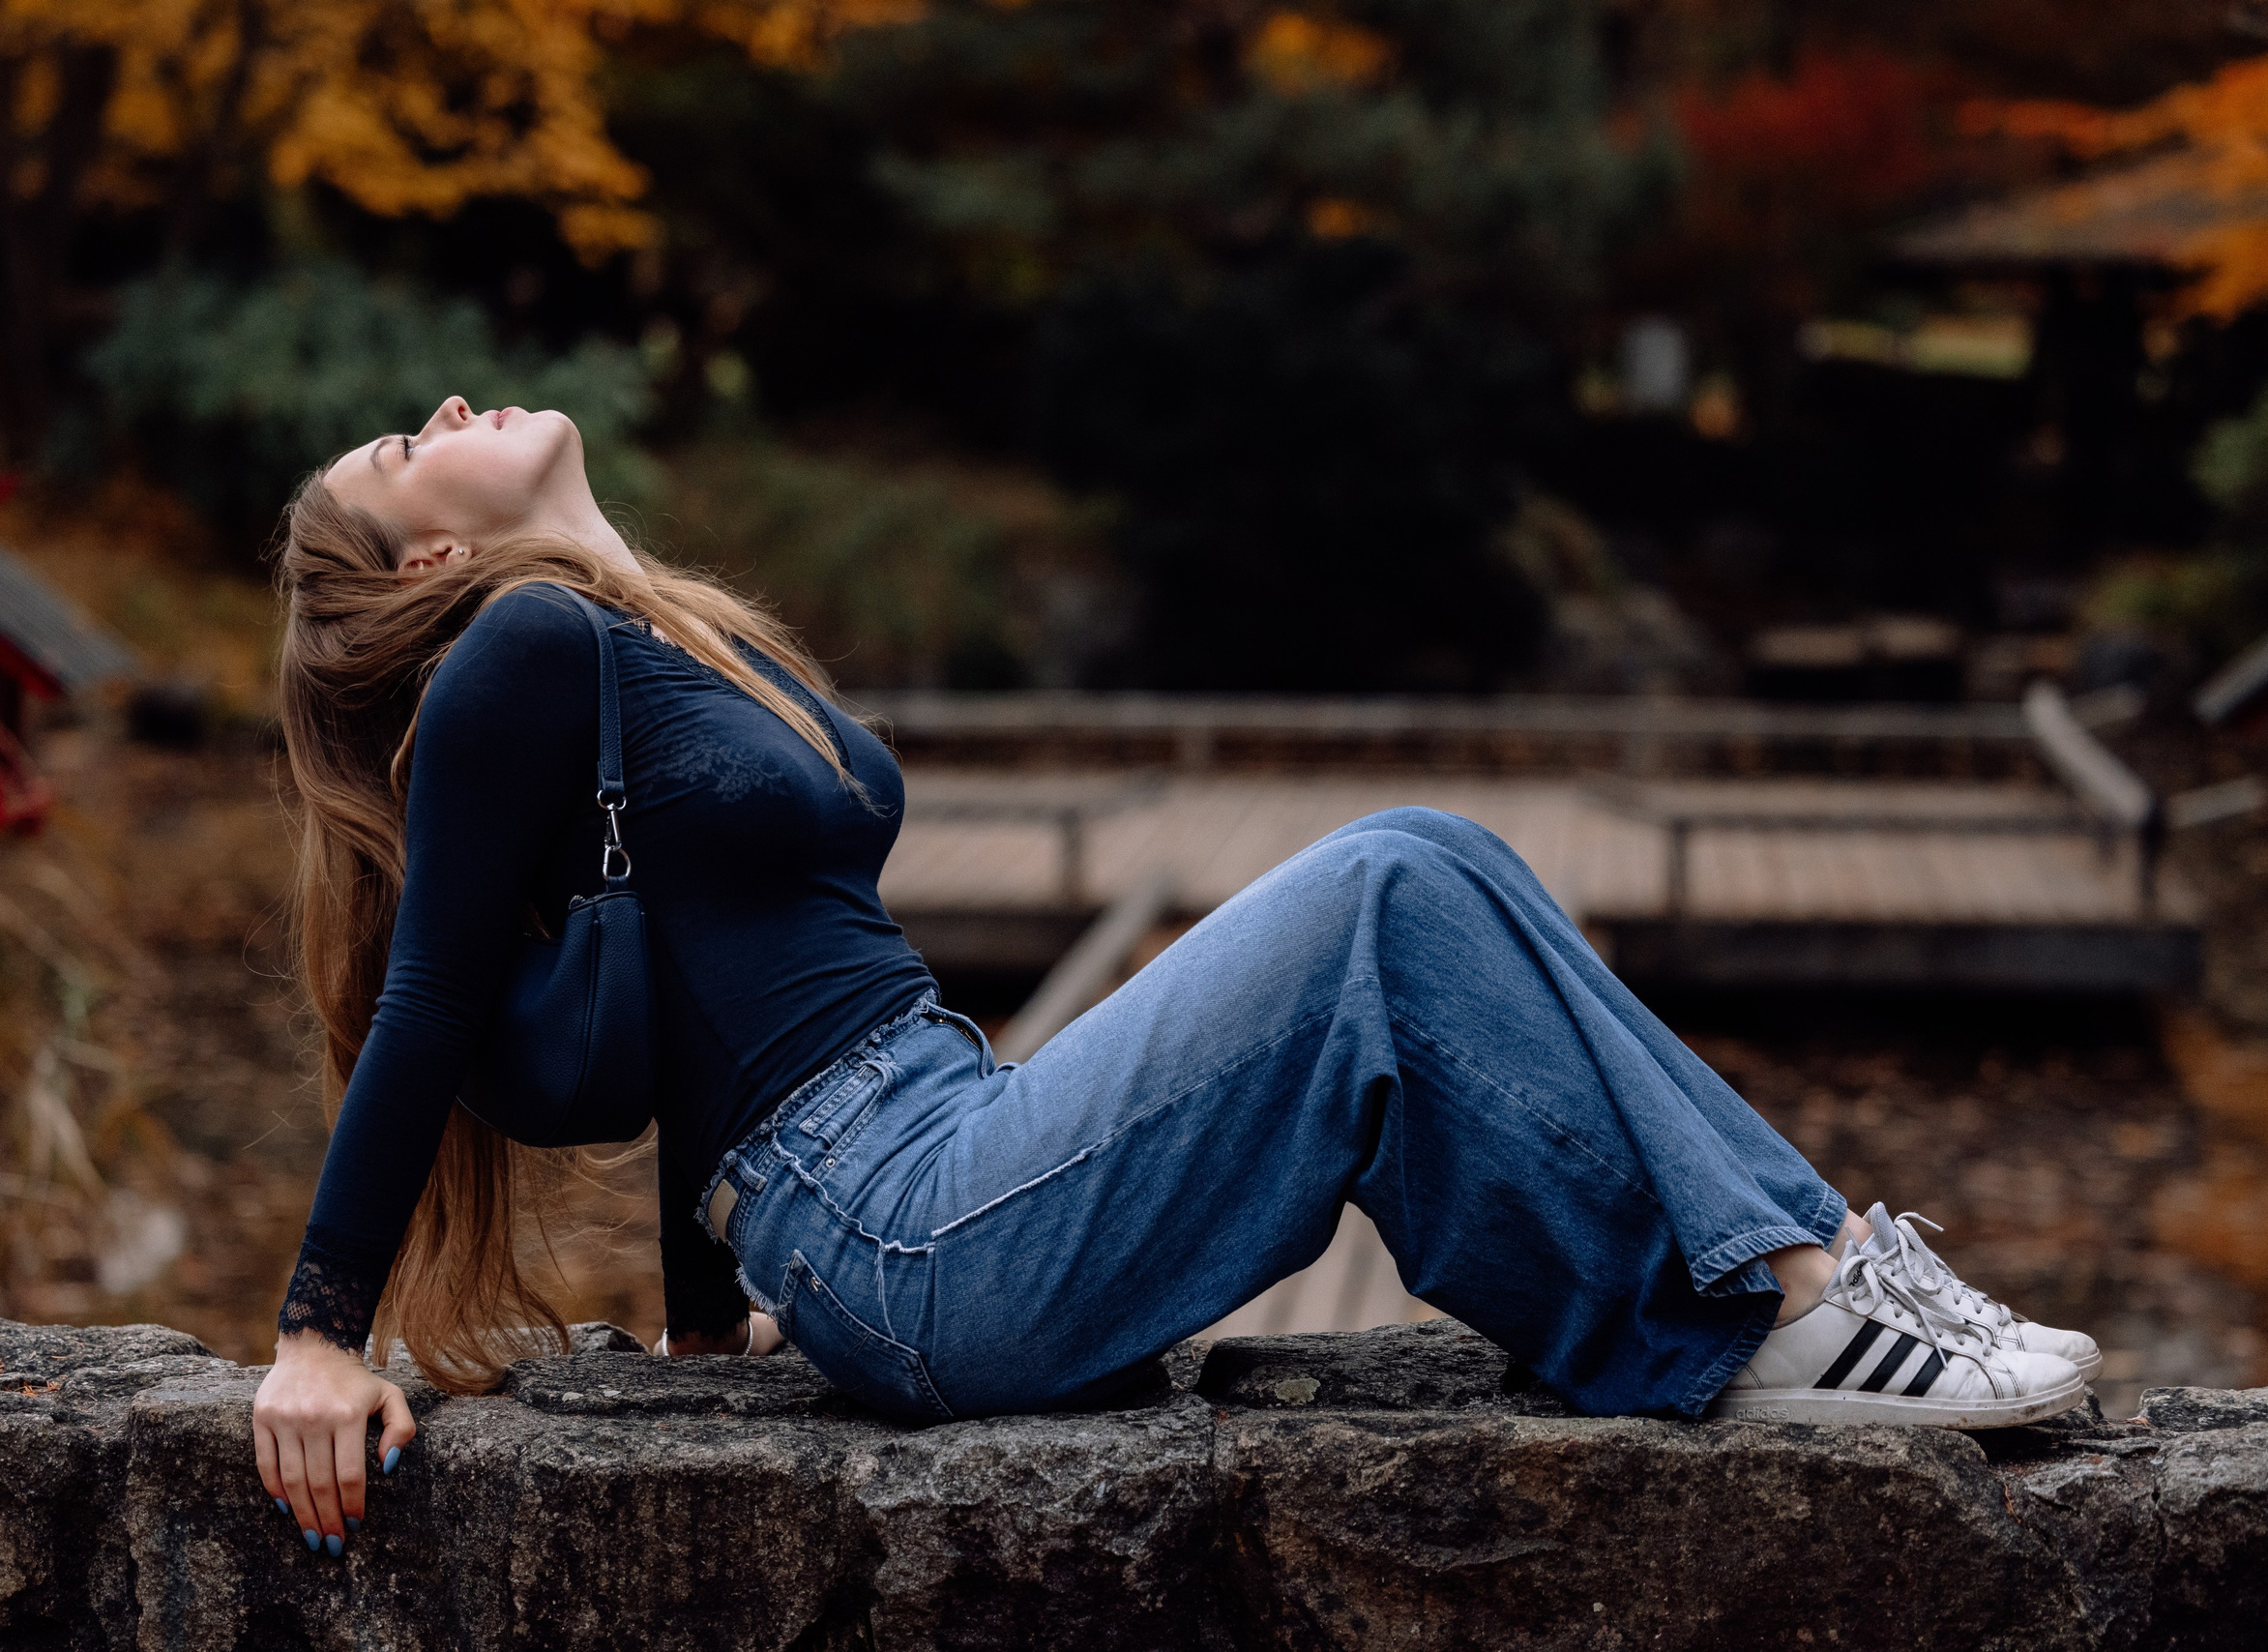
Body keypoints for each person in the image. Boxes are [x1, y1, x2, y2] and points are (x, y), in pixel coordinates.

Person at [250, 396, 2101, 1558]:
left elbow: (700, 966)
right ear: (435, 556)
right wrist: (321, 1338)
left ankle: (1785, 1287)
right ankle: (1785, 1304)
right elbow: (425, 1004)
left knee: (1431, 861)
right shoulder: (520, 654)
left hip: (927, 1155)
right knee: (1386, 878)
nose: (444, 403)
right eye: (407, 444)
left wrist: (701, 1321)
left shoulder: (639, 635)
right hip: (902, 1221)